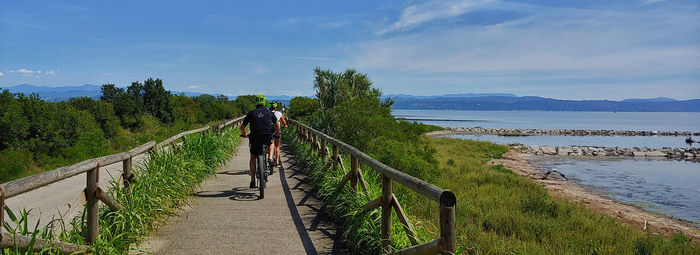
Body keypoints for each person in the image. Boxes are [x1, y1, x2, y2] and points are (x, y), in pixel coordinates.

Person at [240, 95, 280, 188]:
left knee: (253, 157)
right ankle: (270, 158)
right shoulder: (269, 112)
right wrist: (277, 133)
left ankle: (252, 180)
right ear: (264, 102)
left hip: (254, 137)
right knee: (271, 142)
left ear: (256, 102)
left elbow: (242, 127)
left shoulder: (251, 113)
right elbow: (277, 125)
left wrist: (245, 134)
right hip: (267, 135)